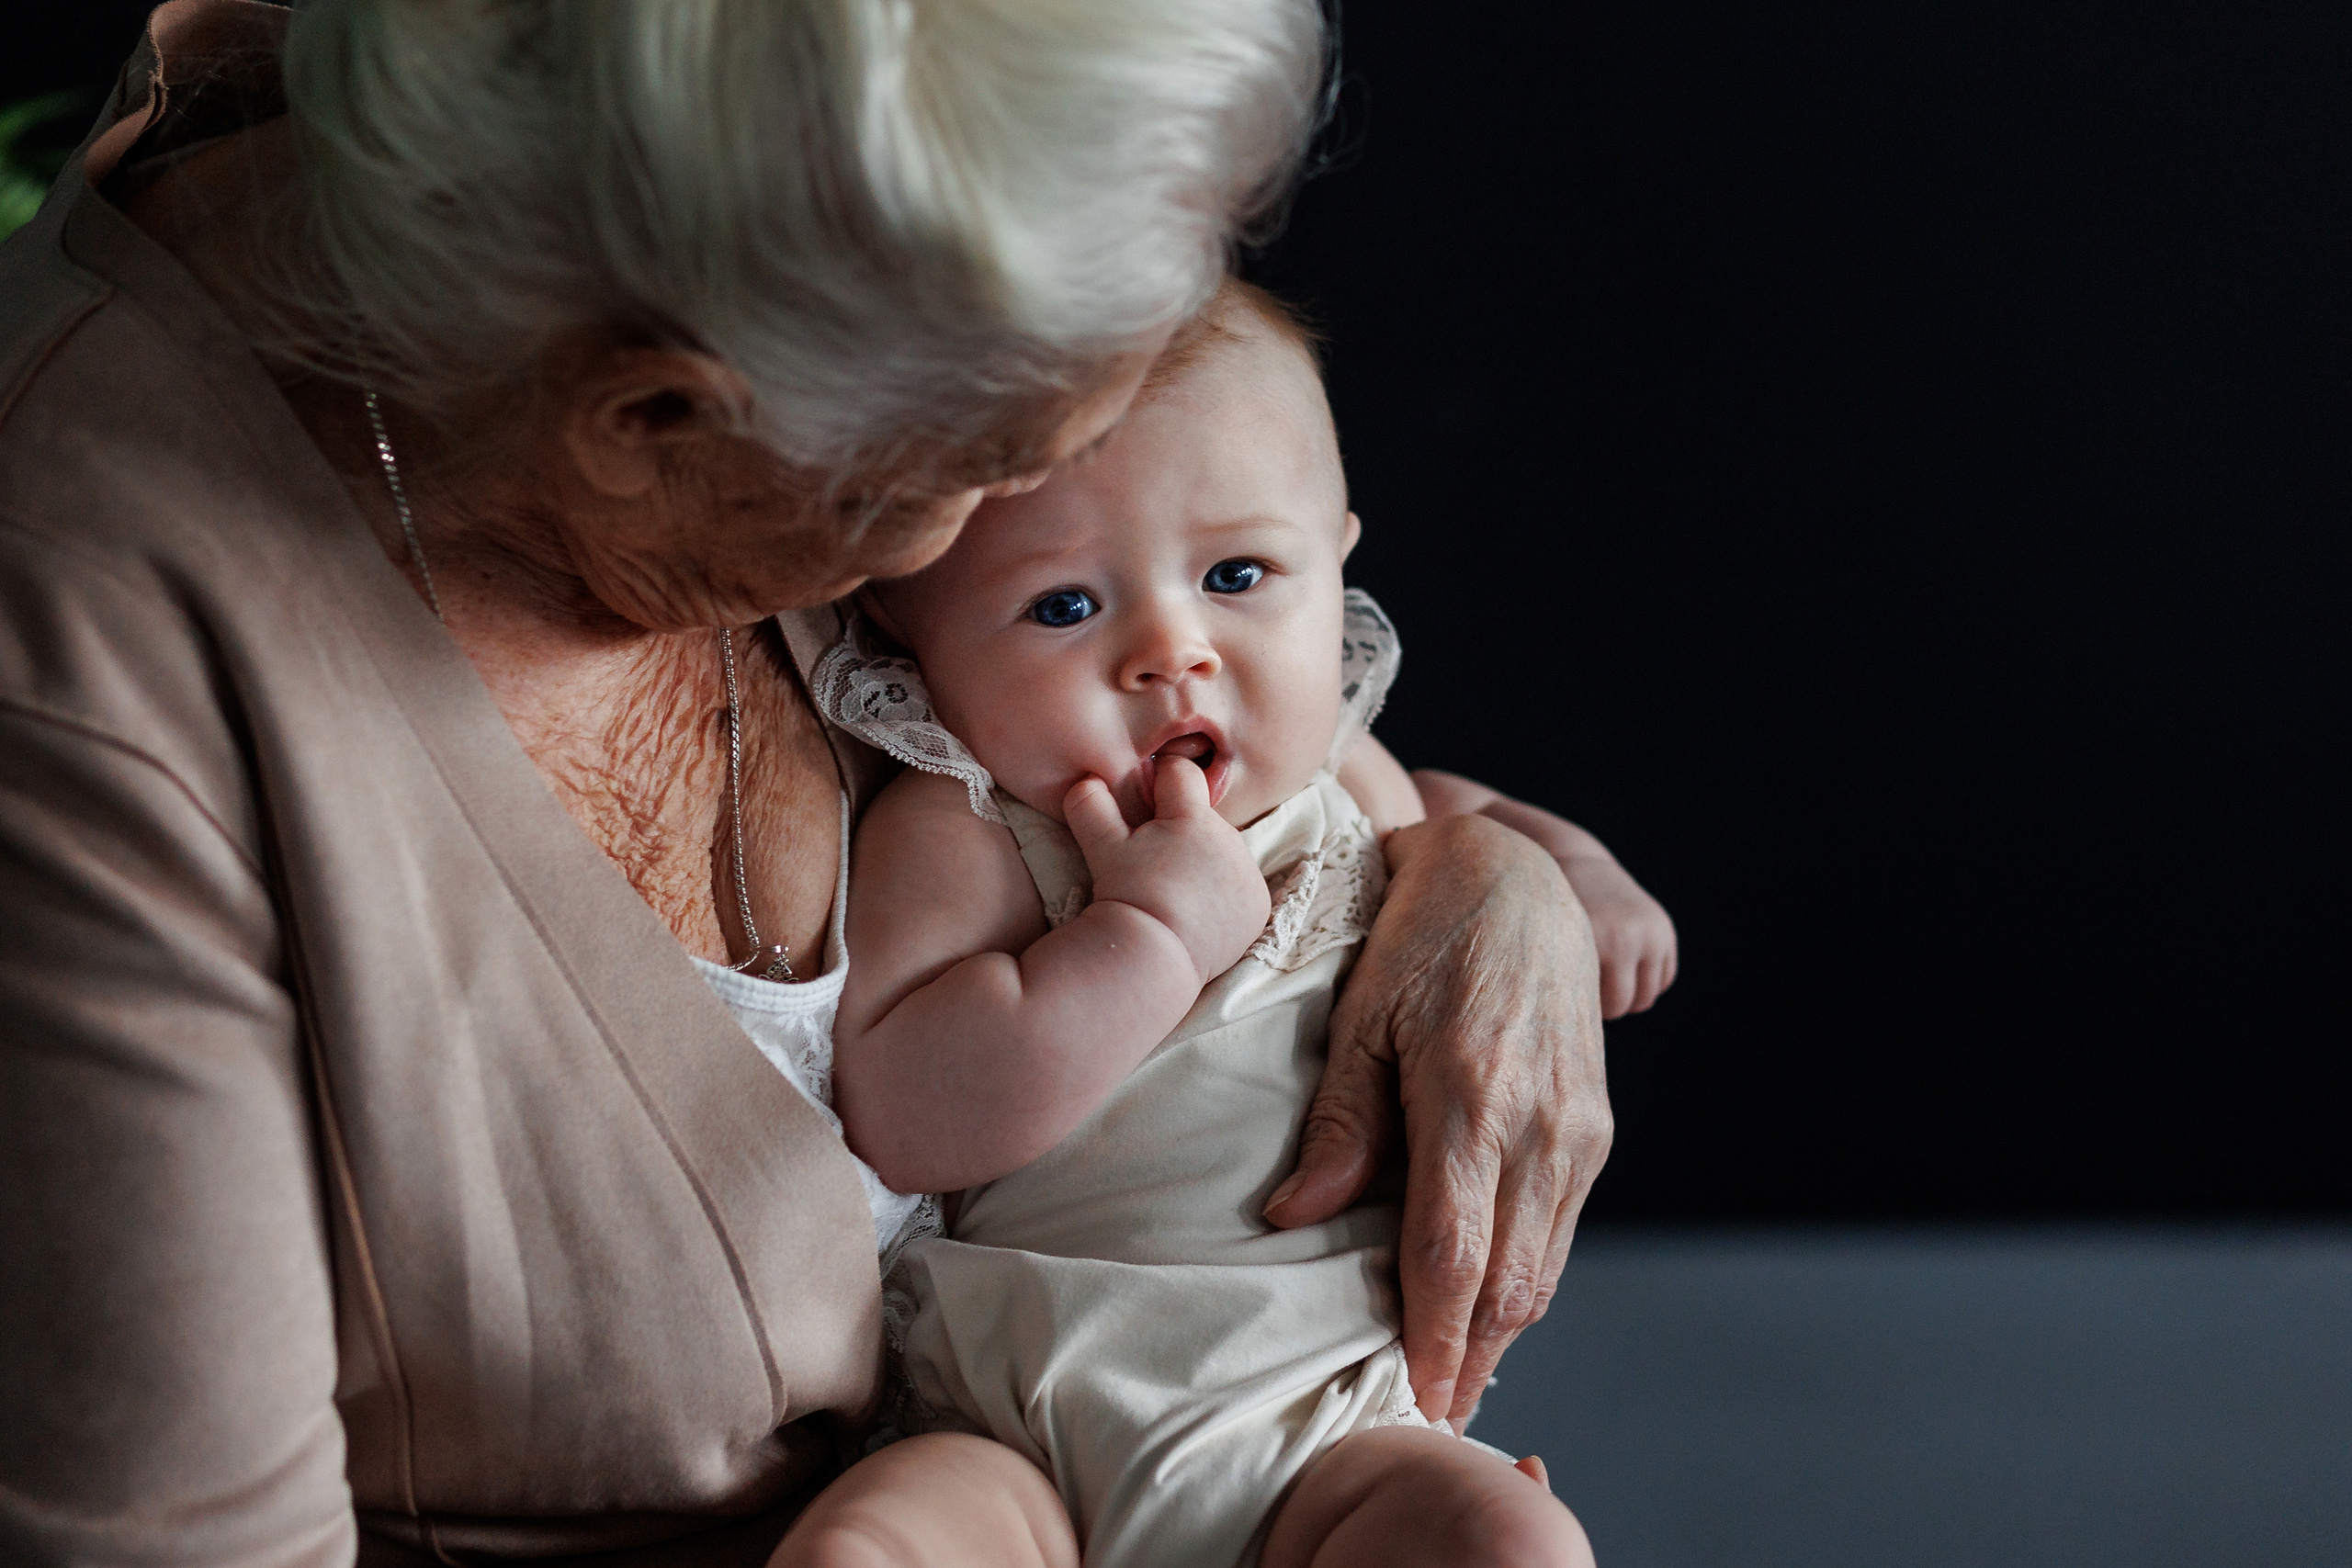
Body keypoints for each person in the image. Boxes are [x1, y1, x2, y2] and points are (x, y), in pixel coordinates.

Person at [0, 3, 1625, 1563]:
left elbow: (1298, 759)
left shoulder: (837, 309)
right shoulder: (88, 682)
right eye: (985, 476)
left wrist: (1485, 880)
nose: (1150, 638)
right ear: (651, 419)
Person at [779, 278, 1638, 1567]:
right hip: (1024, 1427)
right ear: (913, 627)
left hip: (1332, 1426)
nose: (1173, 652)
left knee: (1513, 1542)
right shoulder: (974, 831)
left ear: (1336, 560)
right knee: (890, 1542)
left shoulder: (1356, 780)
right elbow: (903, 1113)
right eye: (1064, 605)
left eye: (1237, 575)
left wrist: (1577, 870)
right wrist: (1148, 943)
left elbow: (1476, 819)